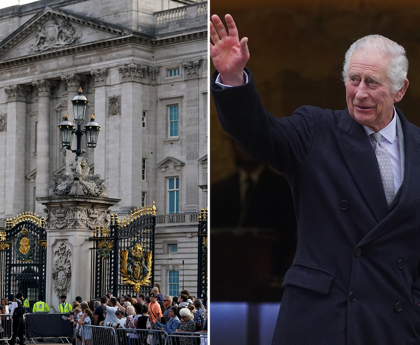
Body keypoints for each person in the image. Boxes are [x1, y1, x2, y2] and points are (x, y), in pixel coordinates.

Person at [210, 12, 420, 345]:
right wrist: (233, 79)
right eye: (353, 80)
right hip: (322, 321)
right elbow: (260, 134)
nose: (360, 93)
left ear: (399, 89)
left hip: (390, 326)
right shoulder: (315, 130)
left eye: (372, 83)